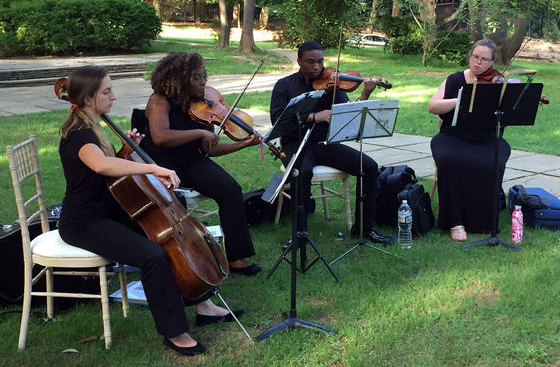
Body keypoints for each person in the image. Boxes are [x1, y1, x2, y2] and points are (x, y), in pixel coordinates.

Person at [58, 65, 241, 357]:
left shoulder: (93, 125)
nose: (113, 96)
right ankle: (175, 333)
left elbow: (105, 171)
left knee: (170, 223)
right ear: (90, 98)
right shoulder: (78, 133)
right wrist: (151, 166)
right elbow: (100, 166)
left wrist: (125, 151)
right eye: (107, 91)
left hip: (109, 209)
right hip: (84, 222)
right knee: (152, 255)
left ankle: (204, 305)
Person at [142, 52, 262, 275]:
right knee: (174, 200)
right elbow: (160, 136)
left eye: (203, 76)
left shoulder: (202, 106)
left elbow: (211, 148)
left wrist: (243, 144)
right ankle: (184, 261)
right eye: (196, 77)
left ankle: (236, 258)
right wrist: (198, 132)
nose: (203, 82)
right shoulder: (159, 100)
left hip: (192, 161)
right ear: (178, 79)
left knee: (231, 190)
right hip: (164, 163)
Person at [269, 41, 392, 245]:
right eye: (311, 62)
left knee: (369, 167)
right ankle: (300, 235)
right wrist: (315, 116)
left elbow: (347, 113)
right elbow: (278, 119)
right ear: (299, 61)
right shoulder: (285, 85)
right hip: (295, 144)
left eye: (320, 61)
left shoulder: (333, 84)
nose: (317, 67)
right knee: (302, 172)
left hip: (324, 144)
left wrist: (365, 94)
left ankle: (364, 229)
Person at [428, 39, 511, 241]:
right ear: (470, 56)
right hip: (452, 136)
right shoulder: (455, 80)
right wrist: (460, 100)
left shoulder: (497, 83)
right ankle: (455, 222)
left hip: (486, 138)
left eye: (484, 59)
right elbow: (433, 106)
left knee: (495, 159)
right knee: (449, 160)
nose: (478, 63)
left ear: (492, 62)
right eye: (475, 57)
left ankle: (484, 221)